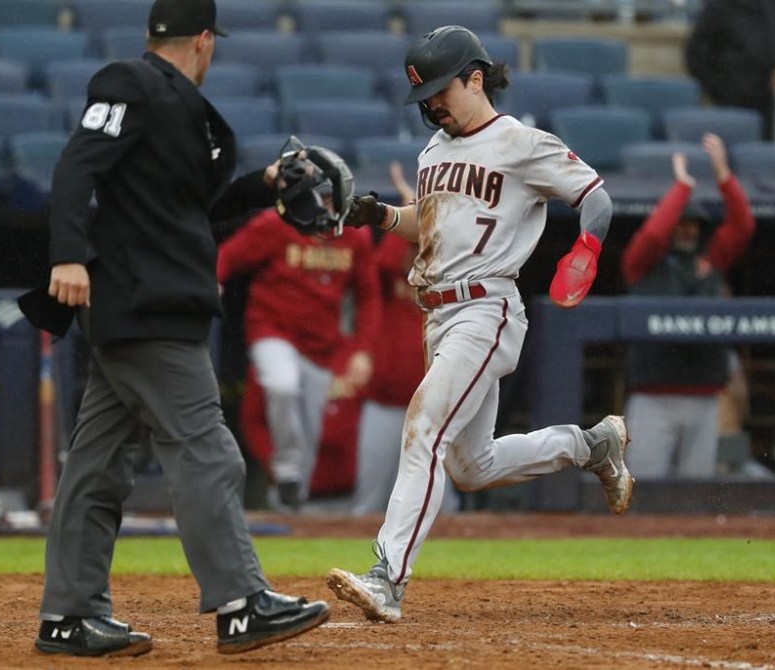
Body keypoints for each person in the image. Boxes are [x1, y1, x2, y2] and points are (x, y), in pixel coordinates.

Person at [31, 0, 330, 657]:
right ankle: (240, 602)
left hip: (146, 302)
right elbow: (77, 164)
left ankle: (68, 616)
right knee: (206, 448)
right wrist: (67, 254)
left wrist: (268, 183)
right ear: (204, 40)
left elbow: (190, 207)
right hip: (147, 304)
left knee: (97, 463)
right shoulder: (128, 83)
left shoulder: (179, 108)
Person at [324, 25, 635, 623]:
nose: (433, 105)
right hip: (436, 314)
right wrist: (385, 216)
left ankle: (387, 576)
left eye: (442, 91)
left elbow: (596, 197)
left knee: (423, 429)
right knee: (471, 465)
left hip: (486, 309)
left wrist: (588, 249)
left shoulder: (520, 142)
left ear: (475, 78)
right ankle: (592, 445)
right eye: (425, 98)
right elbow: (439, 223)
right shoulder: (433, 153)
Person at [216, 152, 381, 512]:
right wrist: (214, 281)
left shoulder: (355, 238)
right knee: (281, 383)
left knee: (309, 428)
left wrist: (363, 350)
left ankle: (292, 502)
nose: (328, 204)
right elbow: (228, 255)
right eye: (323, 196)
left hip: (321, 345)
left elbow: (368, 298)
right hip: (272, 331)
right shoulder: (276, 226)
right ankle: (287, 472)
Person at [619, 133, 756, 479]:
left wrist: (723, 174)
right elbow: (651, 236)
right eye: (681, 222)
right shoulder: (644, 264)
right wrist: (681, 189)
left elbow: (742, 226)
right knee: (643, 491)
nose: (688, 230)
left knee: (695, 498)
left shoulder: (710, 260)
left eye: (694, 223)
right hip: (653, 396)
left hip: (704, 394)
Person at [350, 162, 459, 515]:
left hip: (432, 407)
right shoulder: (387, 274)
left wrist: (420, 209)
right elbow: (390, 255)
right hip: (385, 403)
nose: (415, 249)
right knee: (368, 504)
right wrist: (410, 202)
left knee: (442, 507)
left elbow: (438, 236)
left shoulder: (449, 269)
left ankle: (454, 571)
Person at [684, 0, 775, 139]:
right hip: (732, 104)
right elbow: (697, 54)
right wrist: (723, 89)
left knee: (770, 152)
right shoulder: (721, 6)